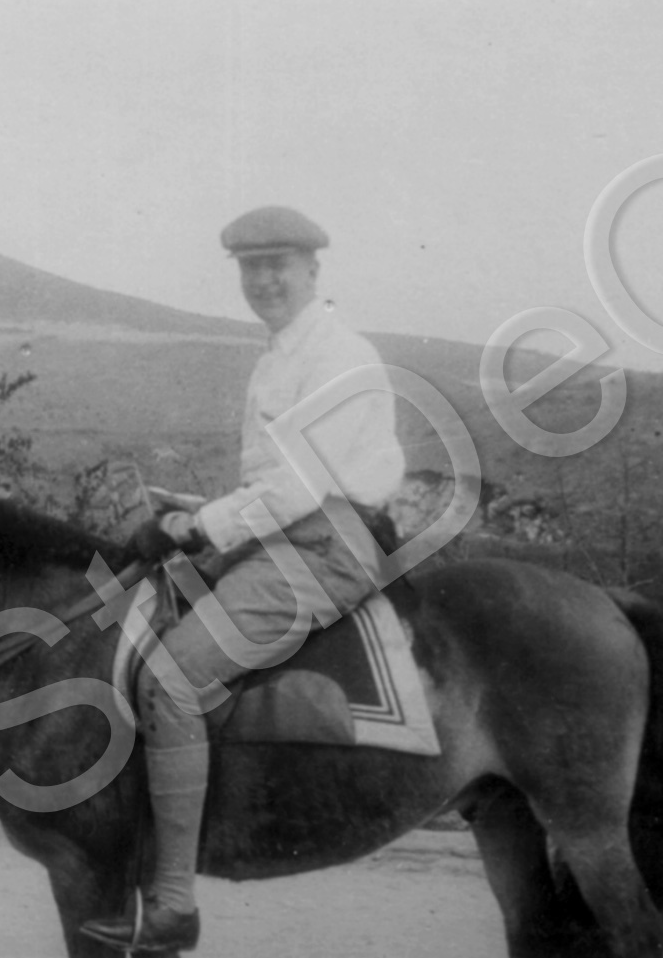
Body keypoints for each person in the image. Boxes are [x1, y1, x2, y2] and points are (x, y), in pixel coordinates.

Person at [80, 206, 406, 954]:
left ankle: (173, 903)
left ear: (312, 269)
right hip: (285, 535)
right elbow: (275, 488)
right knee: (135, 618)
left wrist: (199, 526)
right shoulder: (280, 356)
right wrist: (193, 513)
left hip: (325, 547)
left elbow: (298, 488)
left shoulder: (338, 355)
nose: (264, 281)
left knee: (172, 678)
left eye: (278, 265)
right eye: (251, 269)